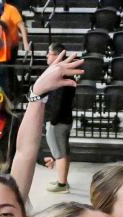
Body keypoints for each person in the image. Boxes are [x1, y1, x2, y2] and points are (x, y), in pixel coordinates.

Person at [43, 43, 73, 193]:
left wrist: (52, 121)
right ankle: (63, 181)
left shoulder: (59, 74)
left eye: (49, 53)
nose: (47, 56)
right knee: (64, 152)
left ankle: (62, 185)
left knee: (60, 154)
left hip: (58, 121)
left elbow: (57, 101)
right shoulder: (66, 72)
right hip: (65, 119)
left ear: (57, 56)